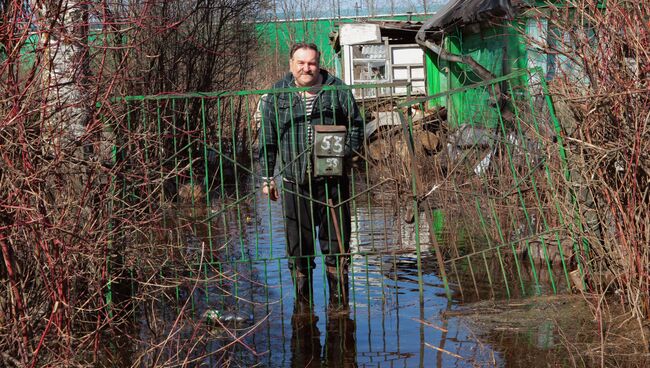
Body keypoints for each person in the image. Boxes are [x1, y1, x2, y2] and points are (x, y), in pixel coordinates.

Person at [258, 43, 364, 312]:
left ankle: (339, 309)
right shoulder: (277, 94)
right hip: (294, 185)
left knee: (337, 249)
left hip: (332, 185)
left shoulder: (337, 90)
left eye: (312, 63)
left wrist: (343, 152)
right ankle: (303, 311)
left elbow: (356, 126)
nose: (307, 68)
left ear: (319, 63)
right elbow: (268, 140)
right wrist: (267, 177)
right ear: (291, 63)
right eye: (301, 63)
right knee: (299, 252)